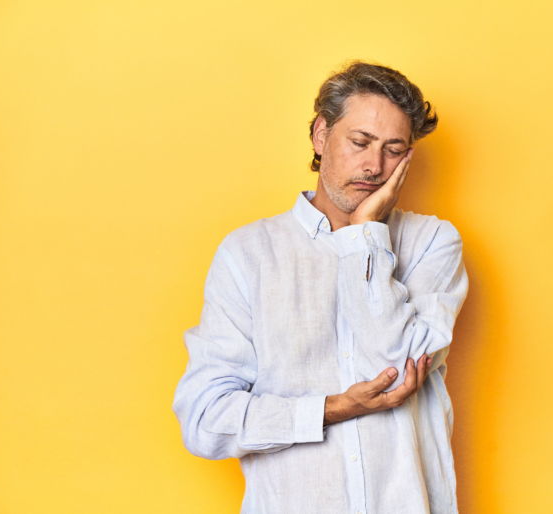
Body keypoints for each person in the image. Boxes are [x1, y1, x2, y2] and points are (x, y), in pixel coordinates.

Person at [173, 61, 469, 514]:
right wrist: (329, 409)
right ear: (320, 135)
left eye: (393, 150)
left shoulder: (433, 243)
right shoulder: (248, 254)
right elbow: (204, 419)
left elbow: (395, 368)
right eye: (360, 142)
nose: (374, 166)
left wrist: (365, 234)